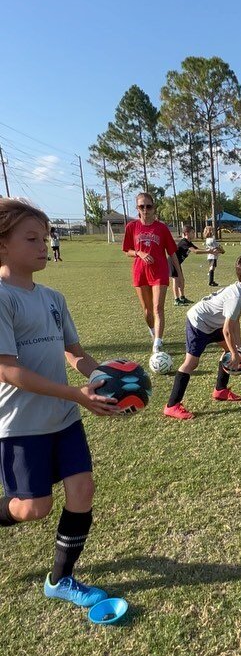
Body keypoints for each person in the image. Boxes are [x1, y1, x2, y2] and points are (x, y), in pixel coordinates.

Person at [0, 198, 120, 608]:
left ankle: (60, 579)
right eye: (31, 238)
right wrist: (75, 393)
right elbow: (8, 371)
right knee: (34, 508)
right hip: (20, 424)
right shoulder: (1, 298)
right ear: (2, 247)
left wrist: (104, 379)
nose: (42, 246)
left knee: (82, 490)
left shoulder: (53, 298)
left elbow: (75, 352)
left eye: (44, 237)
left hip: (64, 416)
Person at [163, 255, 241, 420]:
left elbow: (235, 322)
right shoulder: (237, 296)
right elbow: (226, 330)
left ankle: (220, 390)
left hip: (212, 322)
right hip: (199, 322)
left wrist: (238, 348)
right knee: (191, 363)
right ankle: (172, 405)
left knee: (228, 349)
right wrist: (234, 353)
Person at [122, 192, 179, 353]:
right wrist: (139, 253)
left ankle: (157, 344)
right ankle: (154, 333)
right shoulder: (131, 227)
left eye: (149, 206)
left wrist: (179, 274)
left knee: (157, 308)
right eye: (142, 206)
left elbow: (172, 252)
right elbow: (127, 250)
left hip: (159, 272)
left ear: (154, 208)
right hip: (140, 272)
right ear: (137, 208)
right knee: (147, 311)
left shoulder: (161, 228)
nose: (145, 209)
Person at [172, 225, 201, 306]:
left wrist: (210, 251)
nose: (194, 234)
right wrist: (209, 252)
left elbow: (198, 249)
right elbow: (195, 251)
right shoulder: (184, 242)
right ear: (186, 233)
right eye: (192, 232)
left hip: (178, 263)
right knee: (176, 280)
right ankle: (176, 300)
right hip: (172, 262)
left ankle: (182, 297)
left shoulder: (188, 242)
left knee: (182, 280)